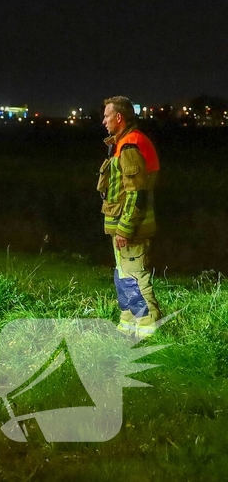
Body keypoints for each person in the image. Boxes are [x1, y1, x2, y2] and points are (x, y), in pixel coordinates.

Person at [99, 96, 161, 337]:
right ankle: (128, 322)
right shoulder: (123, 143)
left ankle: (149, 327)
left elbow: (136, 194)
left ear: (118, 117)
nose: (103, 121)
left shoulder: (130, 145)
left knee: (135, 275)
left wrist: (124, 229)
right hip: (122, 226)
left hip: (131, 228)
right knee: (123, 274)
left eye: (106, 116)